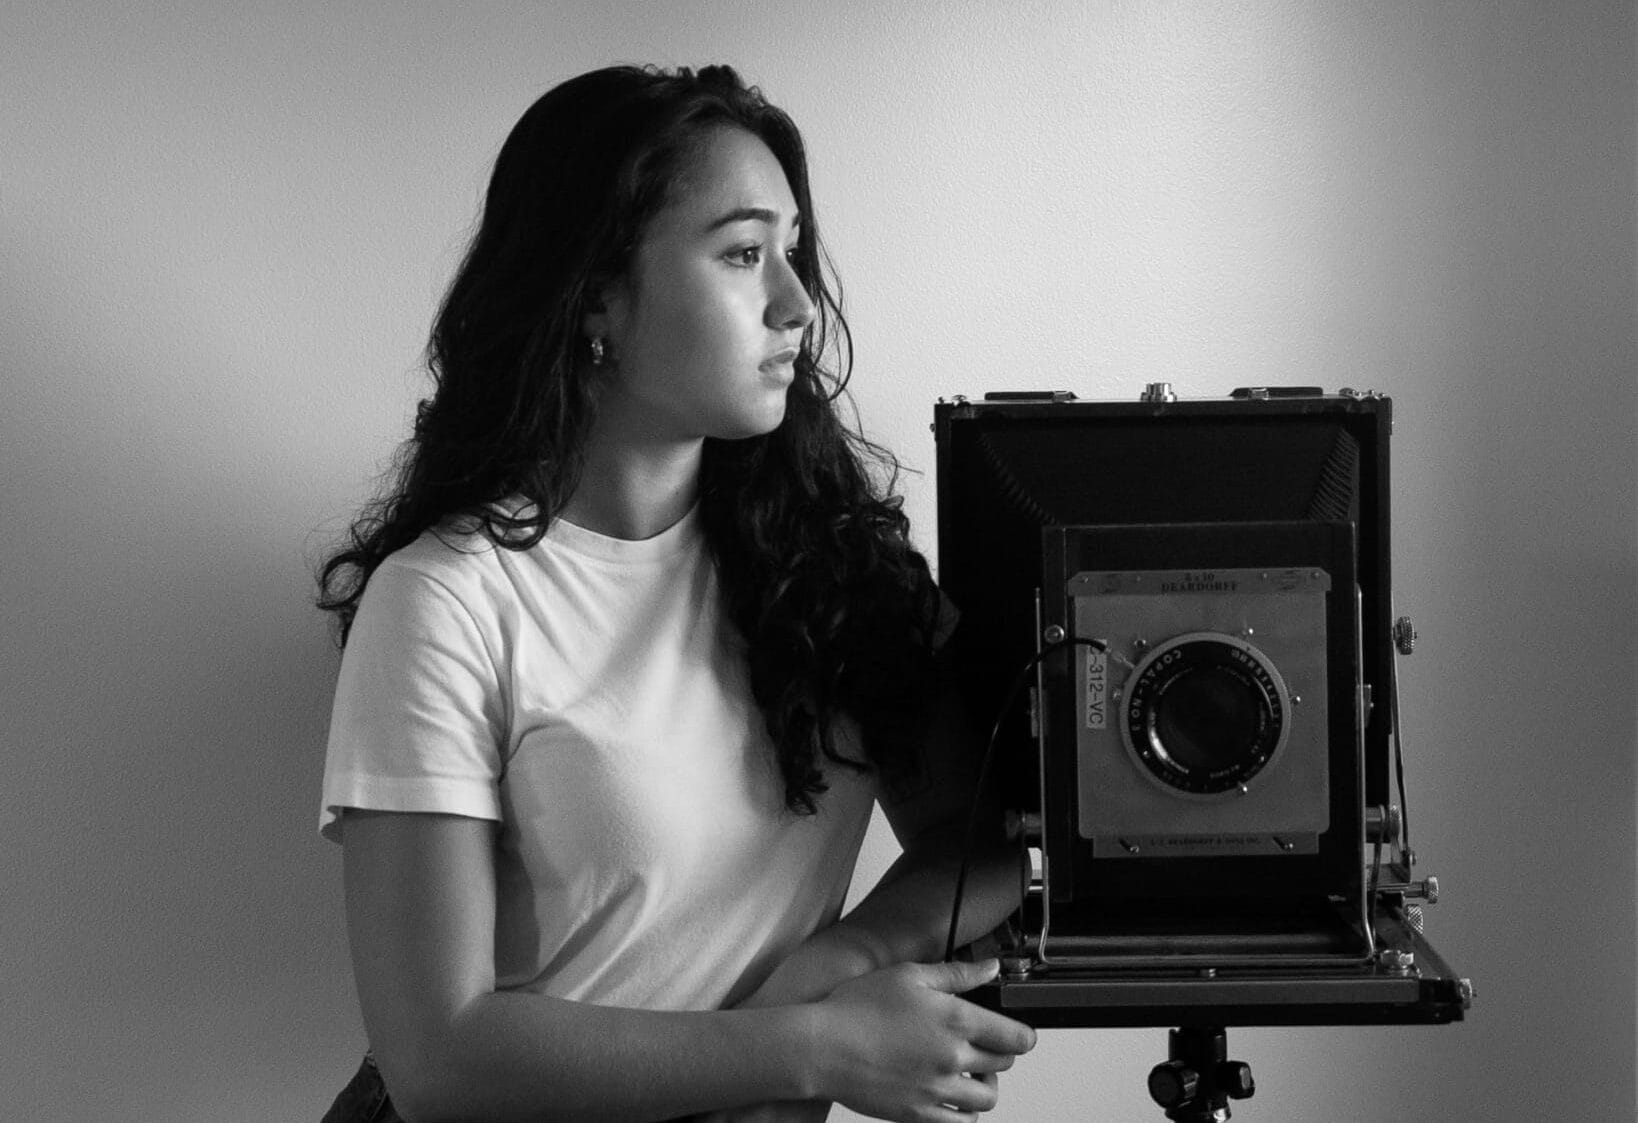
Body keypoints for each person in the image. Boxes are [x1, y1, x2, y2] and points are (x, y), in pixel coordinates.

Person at [316, 63, 1035, 1123]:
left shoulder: (834, 569)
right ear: (595, 295)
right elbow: (439, 1057)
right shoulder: (446, 602)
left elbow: (985, 835)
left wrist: (838, 962)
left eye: (792, 252)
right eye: (744, 255)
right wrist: (806, 1047)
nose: (796, 304)